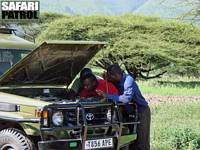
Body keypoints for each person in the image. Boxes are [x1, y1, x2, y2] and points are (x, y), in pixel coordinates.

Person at [96, 64, 151, 150]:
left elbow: (126, 99)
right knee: (130, 140)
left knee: (141, 141)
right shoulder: (116, 80)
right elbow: (110, 85)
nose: (110, 79)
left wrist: (107, 96)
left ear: (116, 75)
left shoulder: (128, 81)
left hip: (141, 112)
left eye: (110, 77)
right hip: (128, 112)